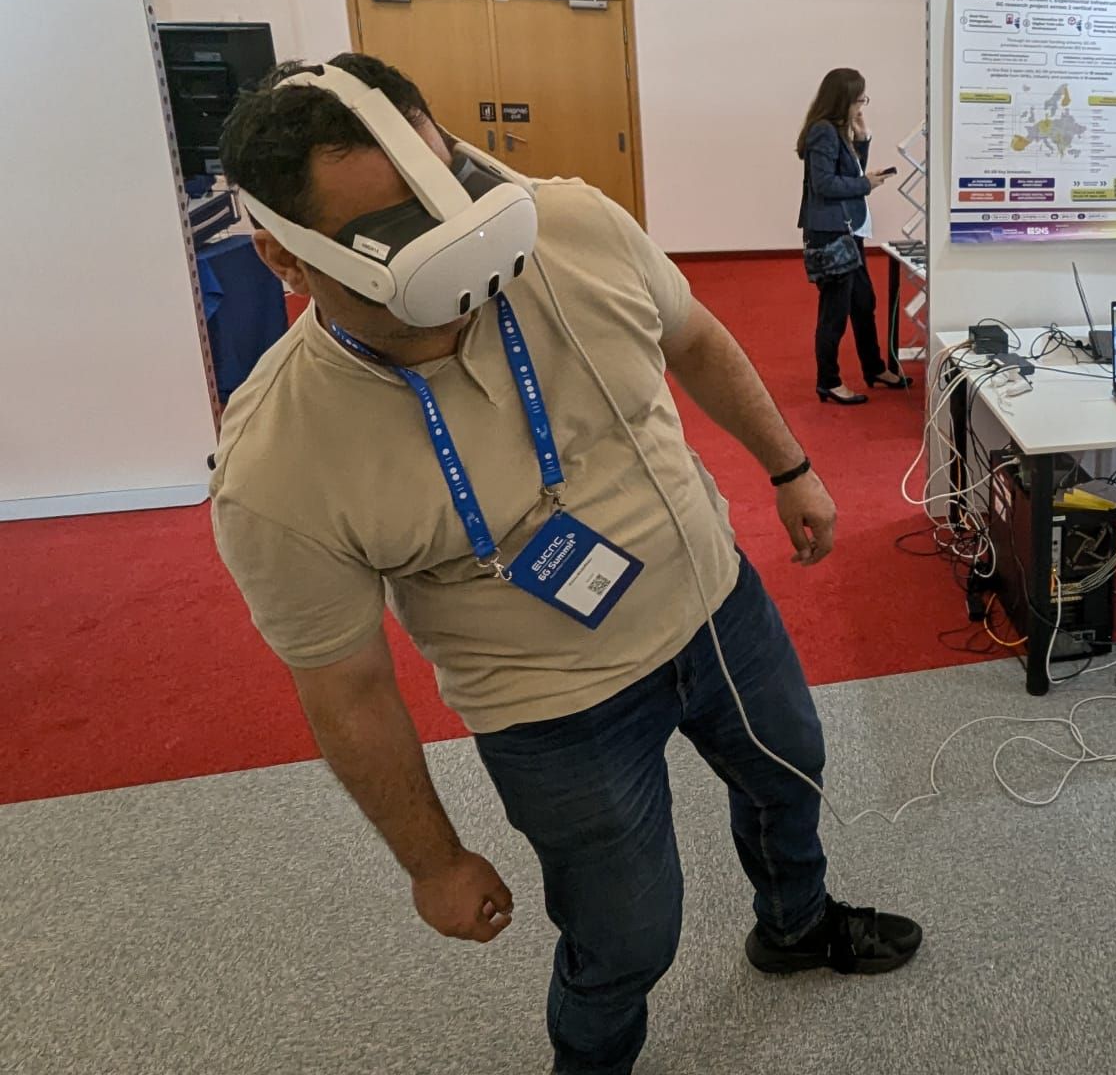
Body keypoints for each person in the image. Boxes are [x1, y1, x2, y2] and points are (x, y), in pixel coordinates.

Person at [212, 53, 921, 1075]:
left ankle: (796, 924)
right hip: (548, 704)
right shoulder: (275, 463)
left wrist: (790, 466)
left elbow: (695, 338)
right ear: (287, 258)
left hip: (711, 600)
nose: (459, 248)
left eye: (450, 190)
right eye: (399, 234)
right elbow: (347, 689)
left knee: (789, 770)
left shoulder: (571, 226)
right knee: (628, 933)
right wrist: (432, 861)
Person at [797, 68, 910, 406]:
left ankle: (874, 368)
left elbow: (848, 171)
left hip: (848, 230)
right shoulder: (823, 132)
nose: (862, 106)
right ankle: (828, 381)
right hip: (831, 234)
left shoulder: (837, 131)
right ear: (843, 99)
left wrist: (862, 140)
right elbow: (825, 184)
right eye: (860, 99)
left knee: (863, 303)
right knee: (834, 311)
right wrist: (865, 184)